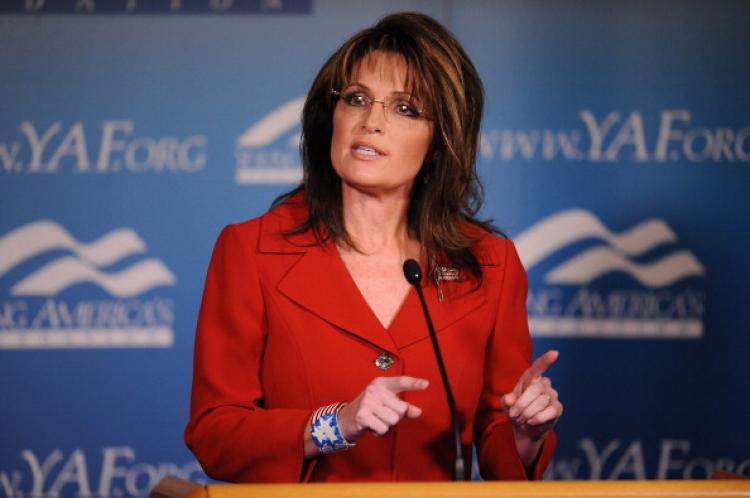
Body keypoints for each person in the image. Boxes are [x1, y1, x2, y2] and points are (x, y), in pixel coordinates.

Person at [185, 11, 563, 483]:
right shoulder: (251, 250)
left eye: (405, 108)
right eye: (357, 99)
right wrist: (334, 425)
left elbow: (495, 435)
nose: (371, 121)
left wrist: (527, 433)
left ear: (440, 141)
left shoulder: (489, 264)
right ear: (331, 119)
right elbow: (215, 433)